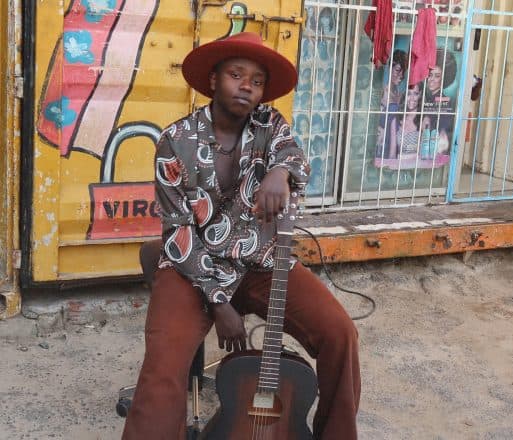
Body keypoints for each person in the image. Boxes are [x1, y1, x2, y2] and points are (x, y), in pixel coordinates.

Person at [121, 32, 360, 440]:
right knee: (162, 367)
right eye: (236, 74)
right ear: (213, 80)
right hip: (193, 268)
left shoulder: (270, 125)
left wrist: (280, 172)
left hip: (261, 262)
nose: (246, 85)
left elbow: (294, 155)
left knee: (340, 333)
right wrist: (219, 303)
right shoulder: (174, 142)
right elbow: (178, 233)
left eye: (257, 80)